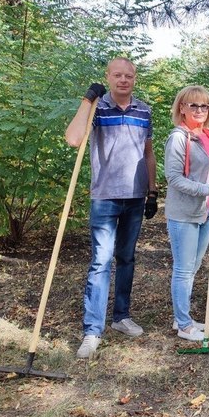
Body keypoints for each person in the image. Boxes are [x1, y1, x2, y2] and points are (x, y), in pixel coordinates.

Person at [65, 57, 157, 359]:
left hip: (135, 196)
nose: (123, 80)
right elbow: (73, 139)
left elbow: (148, 152)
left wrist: (152, 191)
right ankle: (92, 330)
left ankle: (121, 317)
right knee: (101, 261)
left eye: (128, 75)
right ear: (108, 76)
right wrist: (86, 99)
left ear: (135, 78)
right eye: (117, 75)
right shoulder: (98, 108)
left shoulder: (144, 110)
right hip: (105, 196)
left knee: (127, 258)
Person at [164, 86, 209, 341]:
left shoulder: (207, 137)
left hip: (207, 210)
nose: (200, 110)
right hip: (184, 213)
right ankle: (183, 324)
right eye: (194, 105)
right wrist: (207, 189)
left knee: (193, 266)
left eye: (205, 106)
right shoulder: (179, 138)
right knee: (183, 269)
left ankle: (184, 317)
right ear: (182, 108)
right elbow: (174, 178)